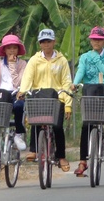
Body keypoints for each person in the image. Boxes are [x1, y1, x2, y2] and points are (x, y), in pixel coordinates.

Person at [18, 29, 72, 172]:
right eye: (43, 42)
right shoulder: (35, 60)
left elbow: (66, 82)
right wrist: (23, 90)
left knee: (58, 127)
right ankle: (34, 150)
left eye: (48, 41)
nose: (46, 44)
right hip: (39, 97)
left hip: (57, 98)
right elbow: (28, 77)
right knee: (36, 123)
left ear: (54, 42)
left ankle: (61, 156)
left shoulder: (62, 61)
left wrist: (68, 104)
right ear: (39, 44)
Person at [71, 26, 104, 176]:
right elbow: (81, 71)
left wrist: (97, 60)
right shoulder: (84, 57)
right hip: (90, 91)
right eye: (94, 39)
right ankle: (83, 161)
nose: (96, 42)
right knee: (86, 125)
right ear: (90, 40)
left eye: (99, 40)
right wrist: (75, 83)